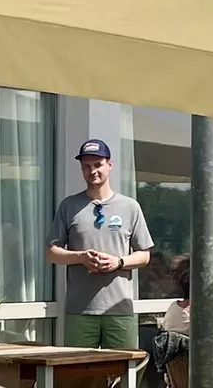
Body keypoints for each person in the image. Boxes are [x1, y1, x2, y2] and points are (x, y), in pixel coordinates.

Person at [45, 137, 152, 351]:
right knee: (79, 377)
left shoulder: (130, 207)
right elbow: (51, 252)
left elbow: (144, 254)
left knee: (124, 373)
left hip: (119, 309)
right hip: (80, 311)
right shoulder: (69, 205)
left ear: (109, 165)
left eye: (98, 165)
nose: (92, 171)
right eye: (86, 166)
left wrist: (118, 262)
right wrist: (81, 257)